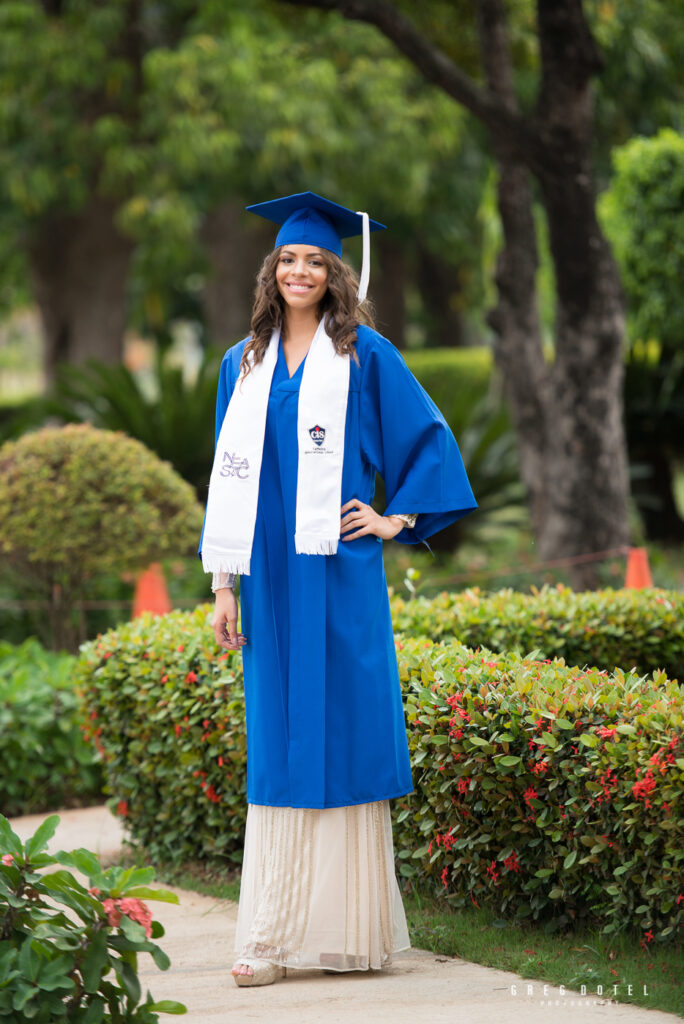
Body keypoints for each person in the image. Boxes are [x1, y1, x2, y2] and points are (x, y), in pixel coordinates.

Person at [197, 192, 478, 987]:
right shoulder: (239, 365)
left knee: (345, 734)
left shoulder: (365, 354)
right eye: (288, 260)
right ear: (270, 271)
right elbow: (227, 482)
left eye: (314, 261)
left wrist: (396, 520)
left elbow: (427, 436)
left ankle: (353, 936)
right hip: (273, 580)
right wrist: (224, 586)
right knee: (281, 742)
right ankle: (270, 936)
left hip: (340, 568)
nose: (299, 271)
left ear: (334, 274)